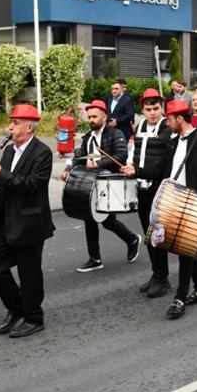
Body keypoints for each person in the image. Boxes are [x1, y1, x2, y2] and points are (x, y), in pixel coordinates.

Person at [0, 104, 54, 339]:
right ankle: (16, 308)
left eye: (15, 123)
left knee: (29, 273)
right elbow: (2, 181)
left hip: (30, 223)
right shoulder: (10, 150)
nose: (10, 127)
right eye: (11, 122)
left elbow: (30, 185)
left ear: (29, 127)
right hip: (5, 219)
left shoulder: (42, 153)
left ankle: (33, 317)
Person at [159, 100, 197, 319]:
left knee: (184, 249)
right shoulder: (172, 141)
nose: (167, 123)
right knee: (185, 246)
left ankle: (180, 297)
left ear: (179, 118)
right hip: (173, 200)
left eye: (169, 119)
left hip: (193, 200)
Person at [65, 101, 141, 272]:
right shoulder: (87, 138)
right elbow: (78, 157)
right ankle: (95, 258)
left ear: (104, 117)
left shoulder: (116, 133)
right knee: (89, 218)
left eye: (94, 116)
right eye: (89, 117)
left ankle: (131, 240)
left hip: (109, 182)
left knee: (107, 221)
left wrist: (99, 162)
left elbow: (121, 155)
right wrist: (68, 169)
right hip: (92, 182)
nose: (91, 120)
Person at [122, 89, 174, 298]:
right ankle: (156, 274)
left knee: (157, 235)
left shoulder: (167, 128)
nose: (152, 113)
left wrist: (138, 171)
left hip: (158, 188)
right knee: (148, 235)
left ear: (161, 109)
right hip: (141, 186)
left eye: (156, 108)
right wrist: (129, 166)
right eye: (148, 109)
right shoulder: (140, 125)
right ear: (142, 110)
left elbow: (162, 162)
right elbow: (134, 152)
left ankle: (163, 278)